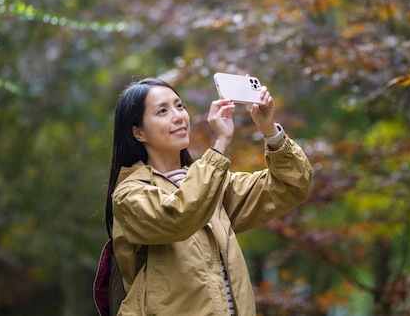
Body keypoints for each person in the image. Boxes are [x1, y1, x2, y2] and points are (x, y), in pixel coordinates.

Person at [105, 77, 312, 316]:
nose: (178, 116)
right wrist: (221, 142)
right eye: (162, 111)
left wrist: (269, 130)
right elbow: (180, 216)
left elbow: (291, 185)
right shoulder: (129, 195)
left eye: (179, 106)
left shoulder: (212, 184)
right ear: (138, 132)